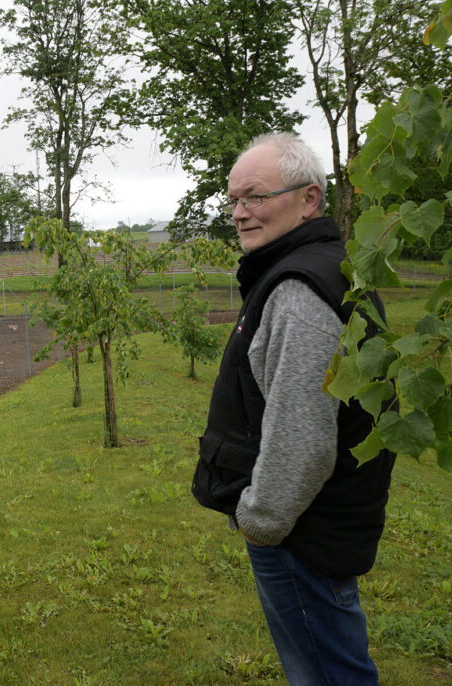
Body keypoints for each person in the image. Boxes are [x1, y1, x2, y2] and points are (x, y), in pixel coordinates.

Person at [191, 132, 395, 685]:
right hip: (321, 526)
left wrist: (261, 522)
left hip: (300, 534)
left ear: (308, 199)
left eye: (255, 197)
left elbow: (303, 439)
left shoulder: (300, 291)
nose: (239, 213)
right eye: (233, 200)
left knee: (327, 674)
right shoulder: (326, 267)